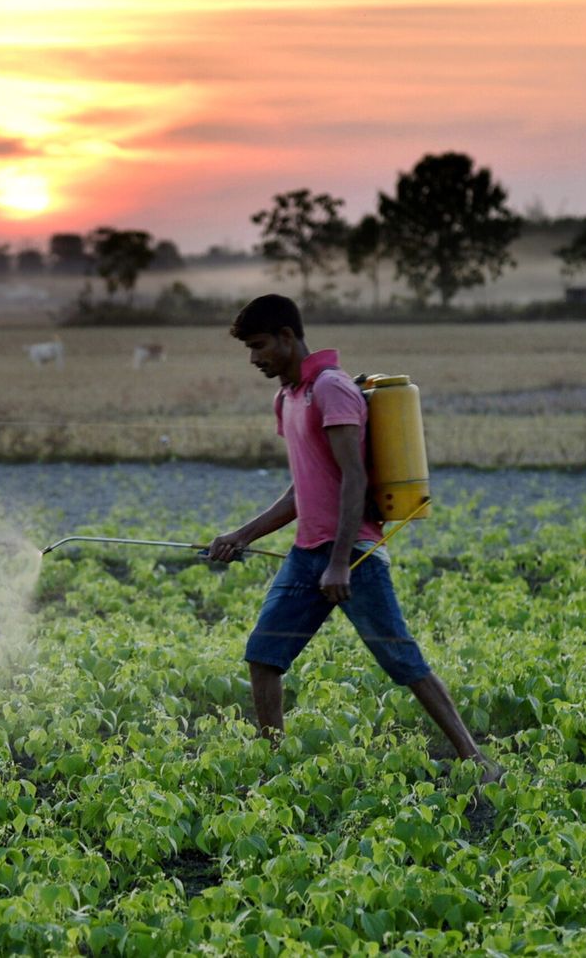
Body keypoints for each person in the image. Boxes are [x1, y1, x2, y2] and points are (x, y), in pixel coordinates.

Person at [207, 294, 501, 785]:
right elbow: (304, 489)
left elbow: (354, 479)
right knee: (263, 656)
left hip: (355, 556)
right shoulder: (288, 398)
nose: (254, 359)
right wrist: (242, 534)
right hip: (307, 555)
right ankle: (275, 768)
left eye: (259, 346)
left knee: (403, 662)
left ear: (286, 336)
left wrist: (339, 562)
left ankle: (476, 760)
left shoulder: (332, 390)